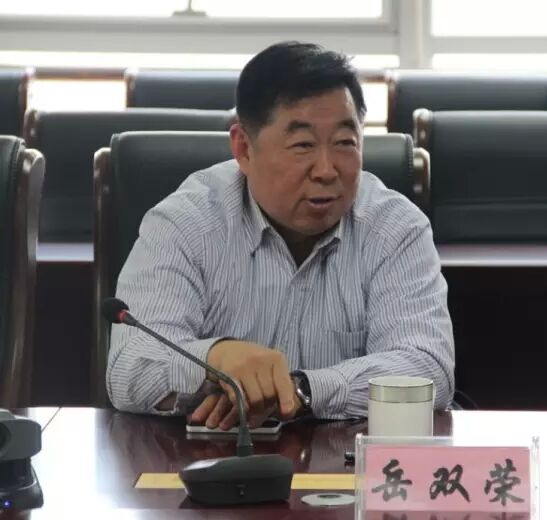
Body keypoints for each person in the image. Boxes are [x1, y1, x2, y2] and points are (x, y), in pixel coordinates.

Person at [108, 41, 454, 429]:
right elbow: (128, 367)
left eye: (345, 143)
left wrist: (300, 391)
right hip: (209, 458)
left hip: (347, 460)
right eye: (302, 145)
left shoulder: (395, 228)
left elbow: (428, 368)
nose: (326, 170)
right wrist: (213, 359)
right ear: (244, 148)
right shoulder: (186, 224)